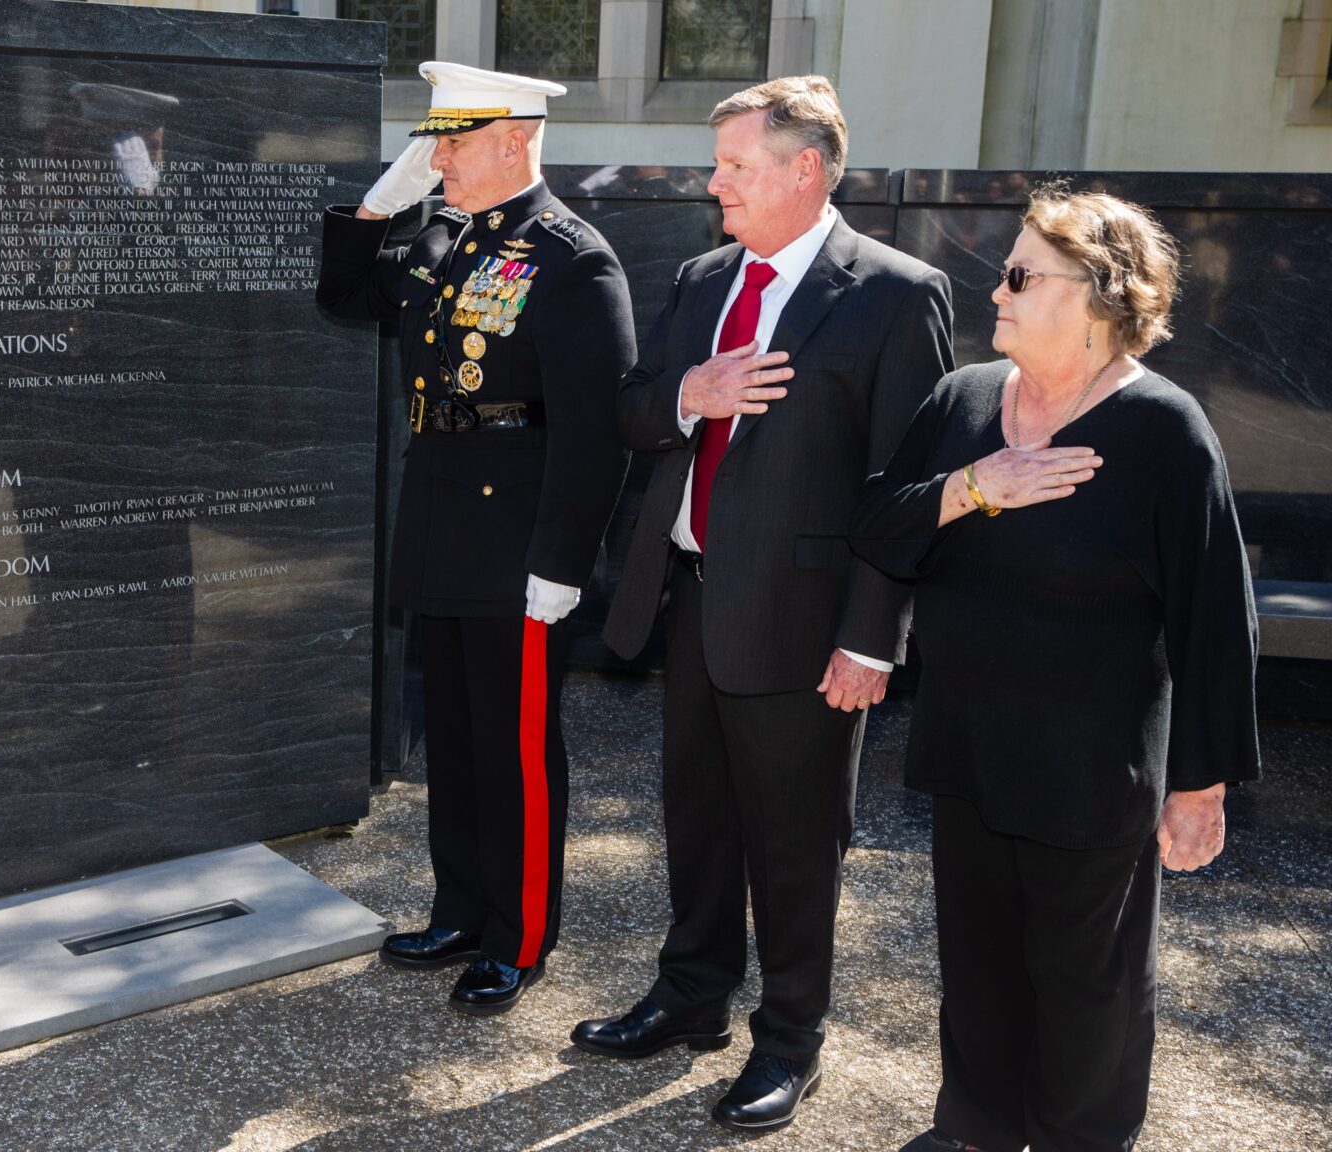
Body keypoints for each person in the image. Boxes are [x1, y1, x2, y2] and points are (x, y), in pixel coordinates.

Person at [574, 75, 954, 1132]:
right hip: (689, 600)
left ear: (804, 169)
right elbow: (635, 411)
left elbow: (901, 490)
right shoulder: (701, 278)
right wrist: (688, 396)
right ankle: (690, 997)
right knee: (694, 821)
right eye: (717, 164)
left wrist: (870, 642)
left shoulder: (891, 293)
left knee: (792, 843)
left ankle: (789, 1039)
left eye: (736, 166)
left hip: (805, 624)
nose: (714, 183)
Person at [851, 187, 1259, 1152]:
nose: (998, 288)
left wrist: (1200, 785)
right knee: (979, 963)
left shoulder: (1164, 431)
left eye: (1024, 274)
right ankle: (978, 1128)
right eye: (1006, 268)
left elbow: (1214, 621)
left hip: (1090, 766)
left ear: (1100, 297)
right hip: (969, 746)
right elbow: (878, 525)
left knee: (1088, 984)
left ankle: (1081, 1137)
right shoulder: (962, 401)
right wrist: (969, 489)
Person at [316, 60, 632, 1015]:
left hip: (519, 537)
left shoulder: (573, 259)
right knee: (452, 737)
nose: (436, 157)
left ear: (515, 139)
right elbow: (345, 297)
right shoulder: (445, 236)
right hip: (445, 514)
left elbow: (598, 429)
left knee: (516, 747)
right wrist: (380, 208)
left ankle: (520, 934)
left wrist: (562, 564)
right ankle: (460, 907)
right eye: (434, 141)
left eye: (452, 142)